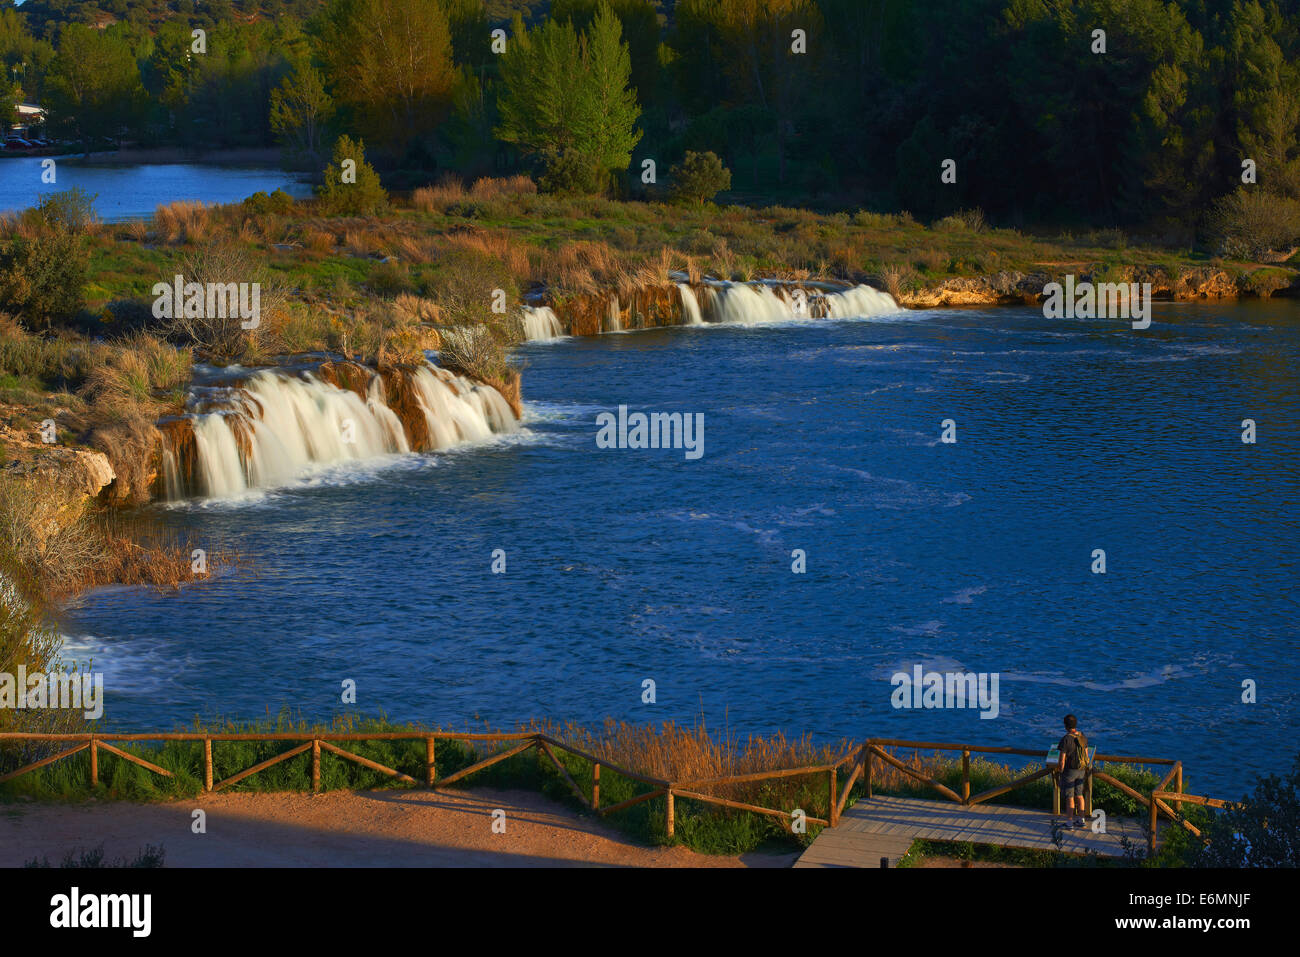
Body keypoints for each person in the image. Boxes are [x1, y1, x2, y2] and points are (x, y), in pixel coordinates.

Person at [1056, 714, 1090, 829]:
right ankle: (1081, 820)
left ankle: (1069, 822)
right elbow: (1086, 755)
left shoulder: (1066, 739)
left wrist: (1060, 770)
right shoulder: (1082, 736)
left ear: (1065, 726)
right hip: (1081, 770)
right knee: (1080, 795)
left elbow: (1062, 760)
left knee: (1069, 797)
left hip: (1069, 771)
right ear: (1075, 724)